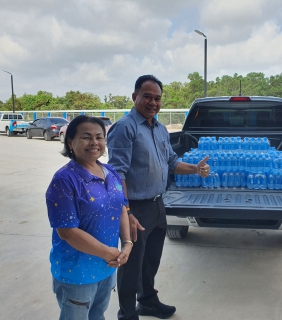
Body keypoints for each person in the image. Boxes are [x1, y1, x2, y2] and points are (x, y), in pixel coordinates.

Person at [107, 74, 210, 320]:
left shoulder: (160, 129)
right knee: (131, 265)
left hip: (157, 205)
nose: (153, 102)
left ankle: (148, 303)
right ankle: (127, 313)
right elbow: (117, 173)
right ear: (135, 97)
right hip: (135, 209)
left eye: (157, 98)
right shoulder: (125, 128)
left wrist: (195, 168)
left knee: (150, 260)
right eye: (147, 97)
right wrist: (127, 213)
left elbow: (172, 162)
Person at [46, 115, 132, 320]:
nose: (94, 142)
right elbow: (67, 231)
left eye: (99, 137)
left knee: (97, 315)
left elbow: (121, 207)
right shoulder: (64, 180)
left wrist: (127, 243)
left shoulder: (110, 171)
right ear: (70, 142)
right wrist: (106, 252)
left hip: (107, 266)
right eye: (86, 137)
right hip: (78, 272)